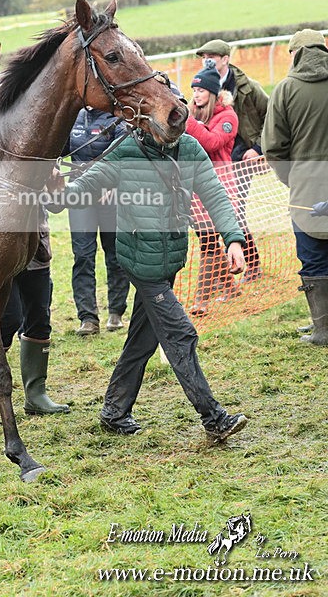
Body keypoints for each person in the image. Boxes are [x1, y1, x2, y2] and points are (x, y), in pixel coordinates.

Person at [49, 118, 248, 441]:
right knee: (179, 334)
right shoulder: (125, 151)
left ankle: (115, 411)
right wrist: (56, 187)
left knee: (142, 338)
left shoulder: (189, 148)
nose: (172, 129)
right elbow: (77, 192)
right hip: (140, 262)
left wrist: (233, 239)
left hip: (170, 260)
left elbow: (215, 194)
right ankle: (213, 417)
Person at [262, 28, 328, 347]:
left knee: (313, 258)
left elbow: (274, 147)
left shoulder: (286, 88)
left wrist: (295, 180)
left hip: (307, 188)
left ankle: (322, 330)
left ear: (297, 54)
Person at [0, 213, 70, 416]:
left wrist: (54, 185)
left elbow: (57, 204)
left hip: (36, 247)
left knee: (40, 320)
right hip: (0, 250)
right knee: (6, 318)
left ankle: (36, 394)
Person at [196, 39, 269, 283]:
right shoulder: (202, 86)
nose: (207, 60)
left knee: (233, 212)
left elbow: (272, 117)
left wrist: (258, 147)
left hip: (241, 156)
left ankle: (252, 263)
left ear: (225, 59)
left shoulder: (249, 87)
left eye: (212, 57)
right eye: (203, 57)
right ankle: (221, 276)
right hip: (214, 160)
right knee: (209, 218)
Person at [67, 107, 130, 336]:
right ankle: (88, 317)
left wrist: (114, 183)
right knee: (82, 255)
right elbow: (57, 147)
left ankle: (116, 312)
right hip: (80, 196)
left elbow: (123, 155)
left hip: (110, 196)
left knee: (115, 255)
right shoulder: (74, 117)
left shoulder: (117, 120)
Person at [186, 60, 242, 315]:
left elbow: (211, 142)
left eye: (201, 90)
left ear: (213, 92)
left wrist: (187, 122)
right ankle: (230, 288)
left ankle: (201, 300)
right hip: (195, 190)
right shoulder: (194, 114)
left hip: (219, 187)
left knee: (208, 242)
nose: (196, 94)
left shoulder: (228, 116)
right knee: (207, 239)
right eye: (193, 90)